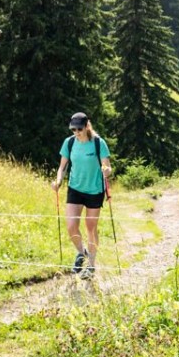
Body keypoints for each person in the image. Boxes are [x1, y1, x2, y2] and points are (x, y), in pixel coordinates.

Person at [52, 112, 112, 279]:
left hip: (94, 190)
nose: (76, 132)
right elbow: (62, 167)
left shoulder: (99, 143)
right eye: (73, 129)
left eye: (79, 128)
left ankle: (91, 267)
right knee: (71, 226)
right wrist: (58, 181)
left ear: (87, 126)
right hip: (75, 188)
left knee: (91, 228)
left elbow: (107, 166)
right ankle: (81, 253)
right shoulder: (69, 143)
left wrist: (107, 171)